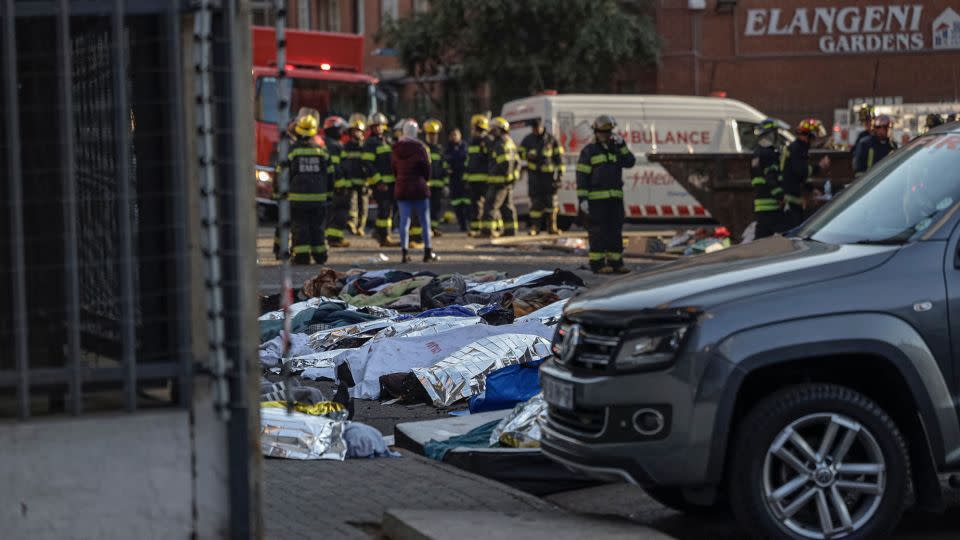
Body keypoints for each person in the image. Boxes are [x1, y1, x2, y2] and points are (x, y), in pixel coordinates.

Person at [576, 115, 636, 274]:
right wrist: (582, 199)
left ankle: (616, 263)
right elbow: (581, 177)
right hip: (596, 200)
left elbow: (630, 162)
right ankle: (598, 264)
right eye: (602, 132)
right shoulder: (589, 151)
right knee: (598, 232)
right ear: (596, 132)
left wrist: (623, 146)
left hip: (615, 199)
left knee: (615, 231)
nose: (605, 135)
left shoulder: (616, 149)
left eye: (608, 132)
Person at [287, 114, 332, 264]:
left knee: (300, 228)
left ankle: (301, 257)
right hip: (319, 198)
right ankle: (320, 256)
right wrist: (329, 194)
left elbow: (283, 173)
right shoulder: (322, 151)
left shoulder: (292, 151)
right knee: (318, 228)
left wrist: (279, 193)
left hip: (297, 198)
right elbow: (330, 174)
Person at [392, 120, 438, 263]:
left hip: (402, 188)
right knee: (425, 221)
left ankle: (404, 253)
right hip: (419, 187)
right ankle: (427, 252)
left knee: (404, 222)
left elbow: (393, 168)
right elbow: (427, 168)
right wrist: (424, 180)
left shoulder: (396, 147)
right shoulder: (421, 147)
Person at [780, 118, 829, 231]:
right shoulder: (797, 149)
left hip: (794, 197)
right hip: (791, 199)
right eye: (814, 137)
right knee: (793, 230)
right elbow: (801, 171)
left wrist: (811, 189)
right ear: (809, 135)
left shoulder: (799, 148)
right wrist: (819, 166)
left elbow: (801, 177)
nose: (815, 140)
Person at [519, 117, 565, 235]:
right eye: (533, 129)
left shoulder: (551, 139)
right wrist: (527, 155)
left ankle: (552, 227)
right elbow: (520, 153)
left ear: (541, 127)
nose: (535, 131)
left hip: (549, 178)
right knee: (536, 203)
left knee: (551, 204)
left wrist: (559, 175)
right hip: (534, 177)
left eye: (537, 128)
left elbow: (559, 159)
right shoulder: (528, 139)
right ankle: (535, 227)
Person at [480, 117, 520, 237]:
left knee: (490, 206)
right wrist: (512, 177)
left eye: (494, 129)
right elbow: (516, 162)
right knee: (507, 207)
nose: (492, 131)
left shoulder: (501, 143)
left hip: (499, 181)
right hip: (507, 181)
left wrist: (505, 176)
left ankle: (487, 231)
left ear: (500, 129)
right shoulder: (509, 142)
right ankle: (510, 230)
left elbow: (504, 163)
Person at [363, 112, 399, 246]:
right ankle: (384, 236)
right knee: (384, 209)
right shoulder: (370, 143)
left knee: (387, 209)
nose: (378, 128)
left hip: (390, 182)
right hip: (380, 184)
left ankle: (380, 232)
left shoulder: (386, 140)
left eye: (380, 126)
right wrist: (379, 181)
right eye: (375, 126)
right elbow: (368, 164)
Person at [751, 118, 785, 239]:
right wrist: (781, 197)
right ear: (771, 134)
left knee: (761, 237)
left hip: (760, 203)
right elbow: (771, 179)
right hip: (771, 204)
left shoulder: (757, 153)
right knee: (785, 235)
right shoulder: (769, 154)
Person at [322, 116, 352, 248]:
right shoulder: (333, 146)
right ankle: (334, 239)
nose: (342, 132)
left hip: (334, 185)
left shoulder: (329, 143)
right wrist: (340, 185)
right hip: (338, 186)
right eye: (340, 130)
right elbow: (335, 168)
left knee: (335, 212)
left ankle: (334, 237)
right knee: (339, 211)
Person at [464, 114, 491, 236]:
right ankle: (475, 229)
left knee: (489, 205)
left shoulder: (487, 142)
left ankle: (491, 228)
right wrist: (466, 179)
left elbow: (490, 160)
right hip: (474, 180)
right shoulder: (472, 142)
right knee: (475, 206)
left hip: (486, 179)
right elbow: (468, 162)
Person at [422, 119, 450, 237]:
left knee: (436, 209)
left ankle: (433, 228)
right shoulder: (423, 148)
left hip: (438, 185)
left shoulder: (440, 150)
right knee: (425, 208)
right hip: (426, 185)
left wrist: (446, 184)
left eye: (435, 135)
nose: (433, 137)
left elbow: (445, 168)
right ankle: (427, 228)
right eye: (431, 134)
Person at [342, 116, 368, 237]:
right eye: (354, 130)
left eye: (358, 130)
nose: (356, 133)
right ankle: (352, 223)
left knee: (363, 205)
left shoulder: (366, 146)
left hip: (364, 181)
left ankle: (361, 227)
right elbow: (343, 164)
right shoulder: (346, 147)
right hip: (350, 181)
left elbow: (369, 165)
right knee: (352, 203)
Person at [445, 128, 469, 231]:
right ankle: (462, 225)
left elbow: (468, 161)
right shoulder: (448, 148)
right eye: (452, 135)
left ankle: (469, 224)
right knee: (457, 204)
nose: (454, 137)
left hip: (464, 180)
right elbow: (445, 162)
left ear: (460, 136)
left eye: (456, 135)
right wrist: (447, 170)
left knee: (468, 204)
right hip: (454, 180)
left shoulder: (465, 147)